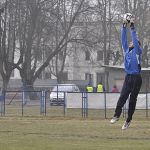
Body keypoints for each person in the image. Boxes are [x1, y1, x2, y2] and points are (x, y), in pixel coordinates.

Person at [110, 16, 142, 130]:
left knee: (132, 100)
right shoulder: (127, 51)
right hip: (128, 77)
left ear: (137, 45)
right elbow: (123, 39)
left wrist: (132, 26)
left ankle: (128, 120)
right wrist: (124, 26)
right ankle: (116, 115)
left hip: (136, 78)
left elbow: (134, 37)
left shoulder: (138, 51)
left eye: (132, 42)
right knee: (122, 96)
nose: (130, 42)